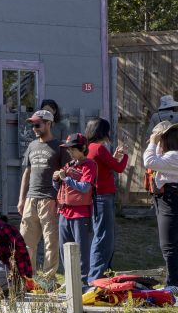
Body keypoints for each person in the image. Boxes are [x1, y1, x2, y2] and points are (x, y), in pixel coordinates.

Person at [17, 109, 64, 277]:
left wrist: (60, 199)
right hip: (31, 199)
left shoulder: (59, 147)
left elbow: (65, 175)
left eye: (37, 124)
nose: (34, 128)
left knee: (50, 242)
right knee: (26, 241)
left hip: (50, 199)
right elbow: (26, 173)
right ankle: (27, 277)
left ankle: (48, 279)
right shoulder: (32, 146)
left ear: (48, 124)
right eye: (32, 125)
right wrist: (22, 199)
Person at [53, 133, 98, 285]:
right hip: (64, 212)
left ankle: (82, 281)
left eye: (72, 149)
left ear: (83, 148)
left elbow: (85, 187)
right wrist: (56, 180)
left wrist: (66, 178)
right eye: (68, 150)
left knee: (81, 250)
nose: (70, 152)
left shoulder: (89, 165)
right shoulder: (69, 165)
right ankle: (69, 280)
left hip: (80, 213)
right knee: (64, 248)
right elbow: (59, 187)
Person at [85, 118, 128, 276]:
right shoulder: (99, 148)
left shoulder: (90, 148)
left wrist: (116, 156)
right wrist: (125, 156)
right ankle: (96, 276)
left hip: (97, 196)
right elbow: (119, 167)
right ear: (102, 132)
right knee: (104, 237)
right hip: (103, 196)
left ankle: (102, 273)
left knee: (102, 235)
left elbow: (107, 165)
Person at [144, 121, 178, 291]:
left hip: (171, 198)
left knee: (169, 244)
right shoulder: (171, 156)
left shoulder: (172, 156)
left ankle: (173, 284)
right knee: (172, 242)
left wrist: (152, 141)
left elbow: (149, 161)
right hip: (169, 197)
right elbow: (156, 159)